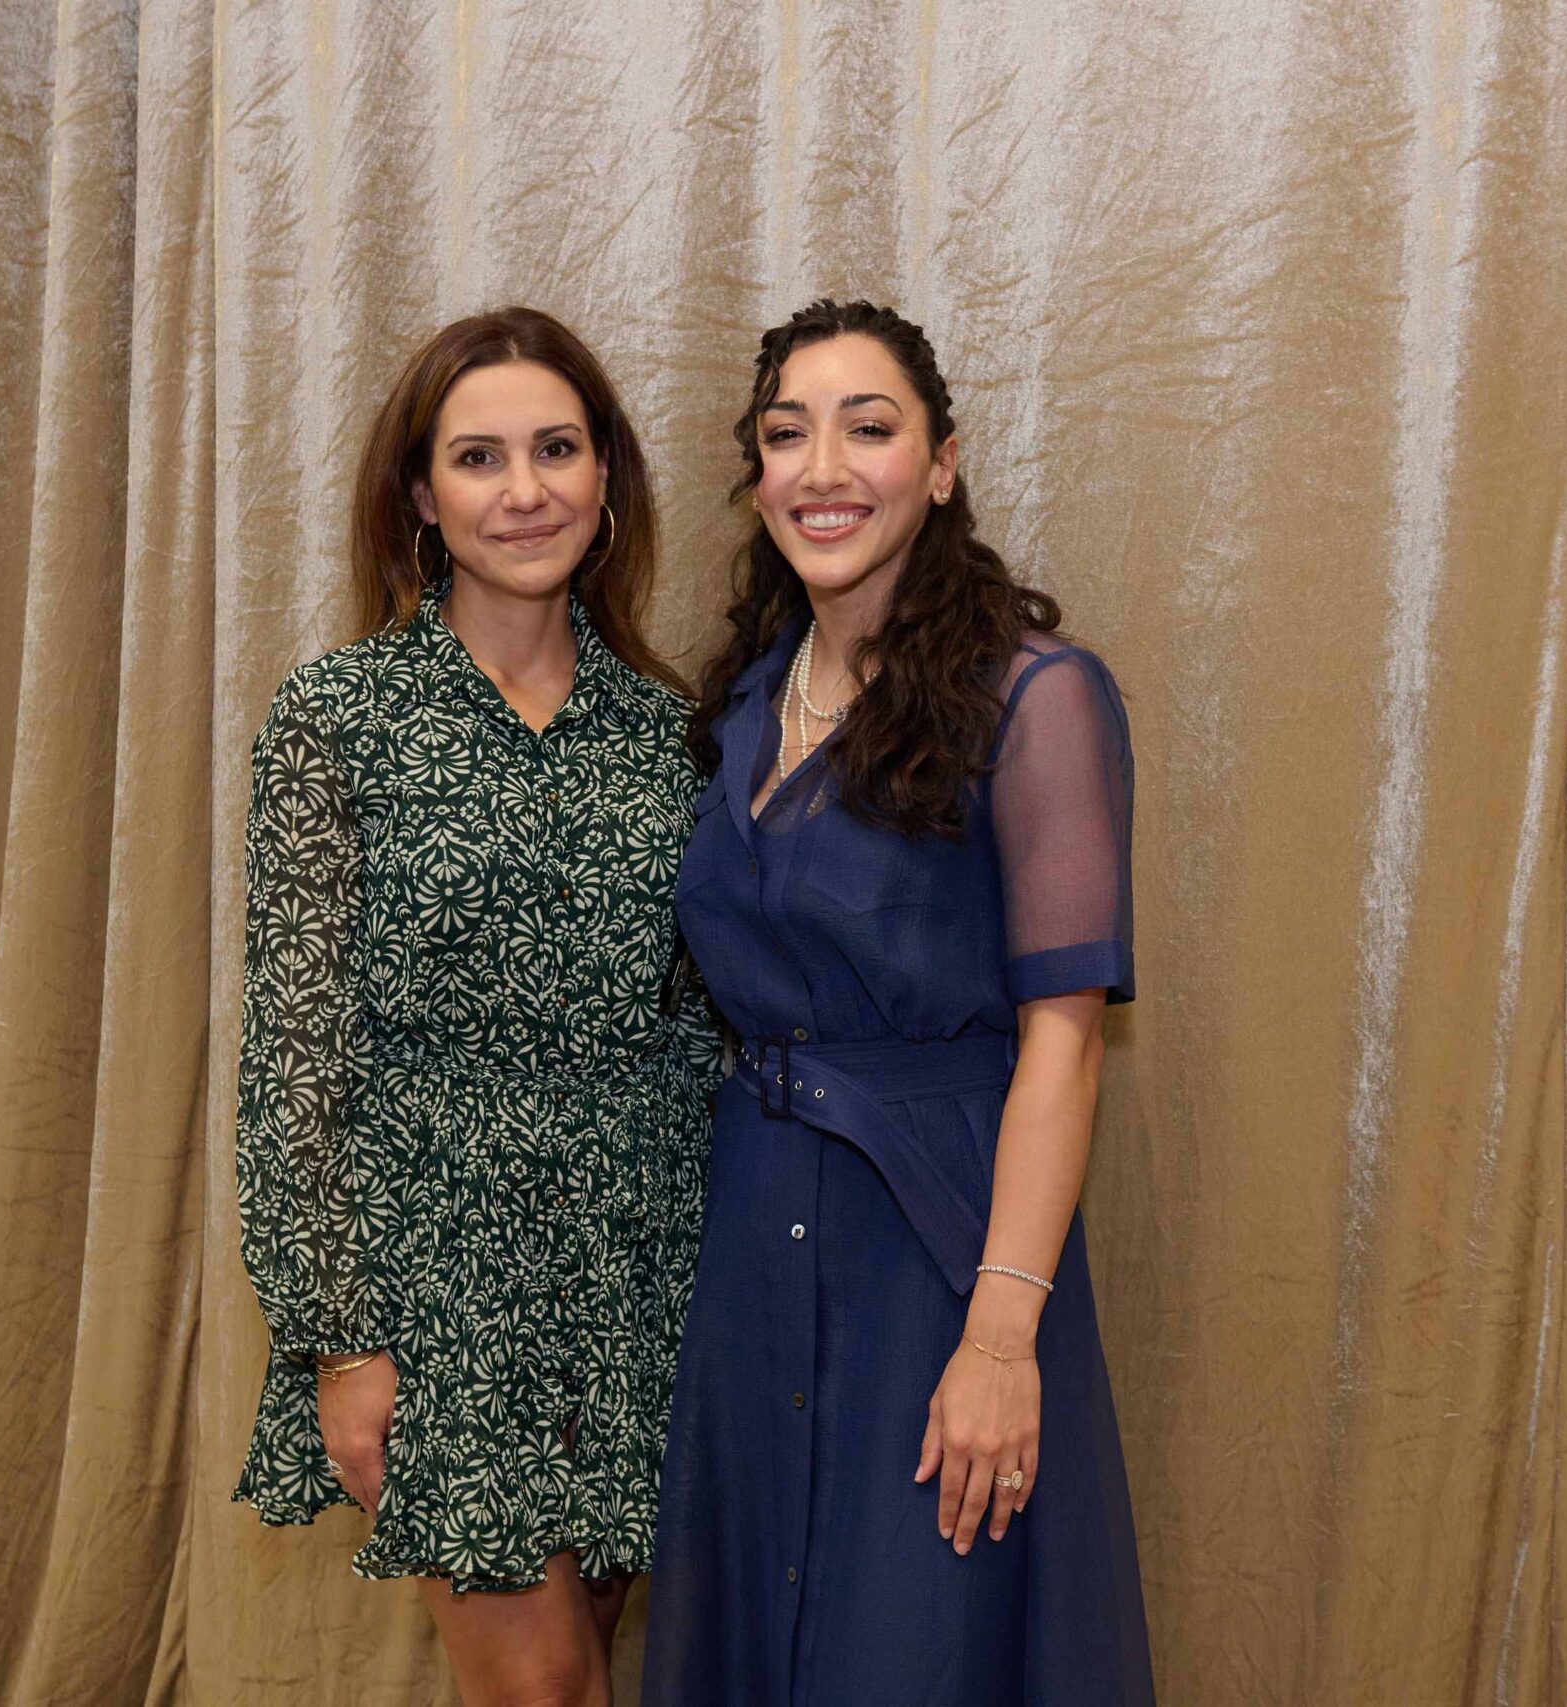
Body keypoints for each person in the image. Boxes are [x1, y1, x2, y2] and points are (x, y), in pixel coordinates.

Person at [641, 299, 1155, 1704]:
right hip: (751, 1239)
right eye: (786, 434)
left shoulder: (1037, 699)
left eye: (868, 429)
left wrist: (998, 1339)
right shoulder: (743, 706)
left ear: (940, 465)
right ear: (755, 475)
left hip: (936, 1249)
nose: (823, 468)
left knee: (917, 1642)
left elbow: (1065, 1048)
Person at [230, 307, 721, 1706]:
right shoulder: (337, 718)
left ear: (608, 477)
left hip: (639, 1276)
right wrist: (339, 1337)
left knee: (589, 1673)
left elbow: (699, 1029)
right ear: (420, 497)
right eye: (480, 457)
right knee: (545, 1689)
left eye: (556, 449)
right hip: (436, 1281)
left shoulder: (672, 734)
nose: (524, 491)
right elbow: (294, 1055)